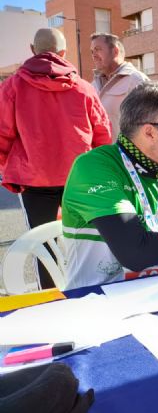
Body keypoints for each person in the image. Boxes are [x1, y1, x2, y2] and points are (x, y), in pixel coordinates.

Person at [62, 81, 158, 289]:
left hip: (153, 295)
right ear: (149, 133)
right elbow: (135, 254)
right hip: (93, 300)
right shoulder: (93, 167)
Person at [0, 28, 112, 288]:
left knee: (42, 243)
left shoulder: (12, 86)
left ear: (32, 49)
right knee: (83, 240)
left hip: (33, 180)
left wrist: (9, 167)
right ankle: (85, 291)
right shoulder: (83, 88)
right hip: (79, 178)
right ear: (64, 53)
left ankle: (51, 300)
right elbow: (102, 136)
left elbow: (2, 135)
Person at [90, 32, 148, 141]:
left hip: (125, 155)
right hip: (101, 155)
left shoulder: (136, 80)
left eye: (98, 49)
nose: (93, 55)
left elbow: (149, 122)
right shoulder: (92, 85)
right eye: (92, 51)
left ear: (115, 51)